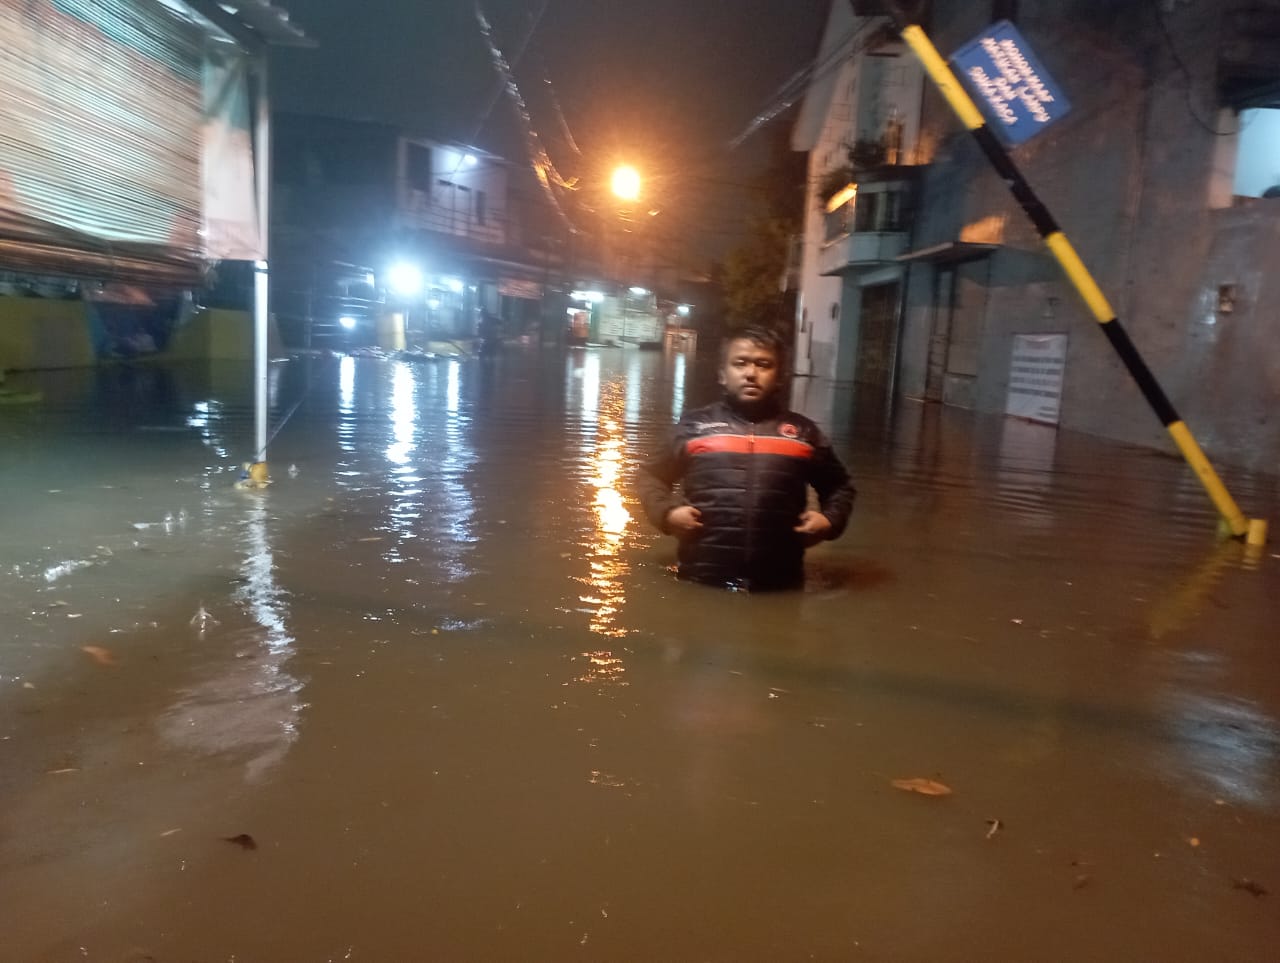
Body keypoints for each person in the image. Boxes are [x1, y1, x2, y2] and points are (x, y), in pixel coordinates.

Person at [637, 324, 855, 591]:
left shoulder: (803, 433)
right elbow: (651, 476)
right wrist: (667, 514)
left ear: (780, 377)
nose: (751, 373)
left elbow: (840, 486)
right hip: (701, 581)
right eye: (740, 363)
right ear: (722, 374)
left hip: (779, 585)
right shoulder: (693, 428)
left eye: (764, 365)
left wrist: (829, 522)